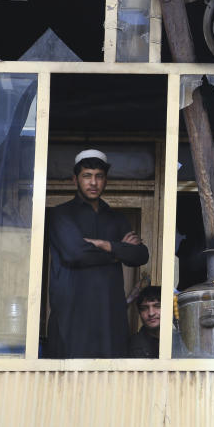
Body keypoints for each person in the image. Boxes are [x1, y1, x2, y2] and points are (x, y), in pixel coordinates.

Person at [47, 149, 149, 358]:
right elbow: (74, 254)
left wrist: (104, 244)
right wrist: (118, 251)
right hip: (71, 317)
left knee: (110, 382)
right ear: (75, 179)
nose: (93, 182)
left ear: (105, 180)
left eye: (99, 176)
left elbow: (140, 255)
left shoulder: (116, 219)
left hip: (109, 316)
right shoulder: (60, 214)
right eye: (87, 176)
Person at [128, 285, 161, 358]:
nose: (151, 313)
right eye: (144, 308)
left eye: (157, 306)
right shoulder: (133, 345)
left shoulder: (178, 340)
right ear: (139, 312)